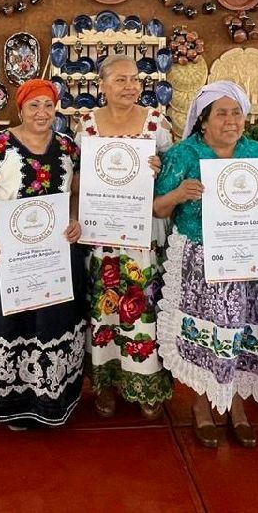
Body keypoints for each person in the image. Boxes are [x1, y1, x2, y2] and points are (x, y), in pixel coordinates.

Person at [154, 80, 258, 449]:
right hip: (202, 257)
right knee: (213, 332)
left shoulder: (256, 153)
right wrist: (178, 193)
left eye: (236, 112)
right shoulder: (184, 154)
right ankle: (202, 406)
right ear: (203, 120)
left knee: (243, 329)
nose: (231, 120)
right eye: (222, 113)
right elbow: (158, 208)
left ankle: (237, 405)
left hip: (251, 255)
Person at [0, 78, 86, 429]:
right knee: (8, 322)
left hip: (53, 250)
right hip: (7, 250)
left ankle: (47, 397)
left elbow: (74, 192)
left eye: (48, 105)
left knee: (49, 322)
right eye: (34, 106)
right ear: (20, 109)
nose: (42, 113)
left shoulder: (69, 147)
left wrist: (74, 219)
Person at [74, 54, 173, 420]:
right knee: (104, 307)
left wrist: (160, 170)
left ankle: (146, 381)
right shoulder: (85, 124)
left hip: (142, 231)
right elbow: (74, 178)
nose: (130, 87)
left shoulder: (156, 123)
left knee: (142, 304)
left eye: (135, 80)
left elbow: (171, 181)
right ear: (101, 85)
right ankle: (106, 384)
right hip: (100, 233)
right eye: (120, 80)